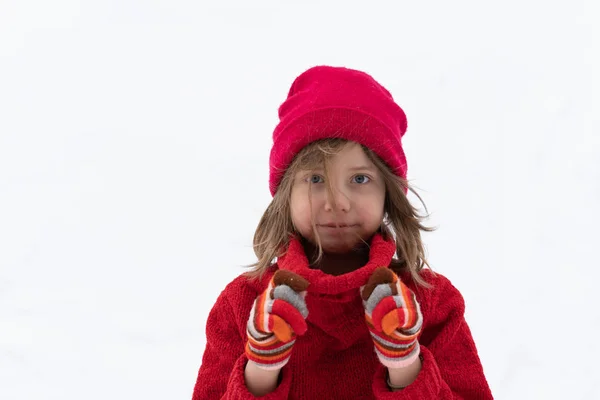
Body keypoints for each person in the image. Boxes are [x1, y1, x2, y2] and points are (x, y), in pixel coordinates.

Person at [191, 66, 493, 399]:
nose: (338, 203)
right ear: (285, 195)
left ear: (388, 193)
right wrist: (261, 368)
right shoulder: (240, 304)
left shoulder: (434, 302)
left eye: (360, 179)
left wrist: (406, 366)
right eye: (316, 179)